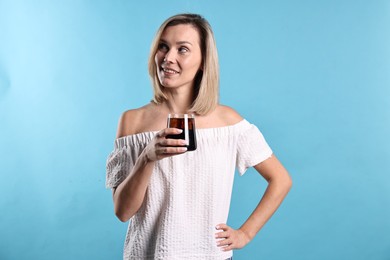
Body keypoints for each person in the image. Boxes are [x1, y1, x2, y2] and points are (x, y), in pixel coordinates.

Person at [106, 13, 292, 260]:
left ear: (204, 60)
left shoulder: (228, 123)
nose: (168, 58)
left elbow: (281, 179)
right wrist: (147, 158)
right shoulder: (132, 121)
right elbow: (123, 212)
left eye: (182, 49)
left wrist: (245, 233)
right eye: (163, 46)